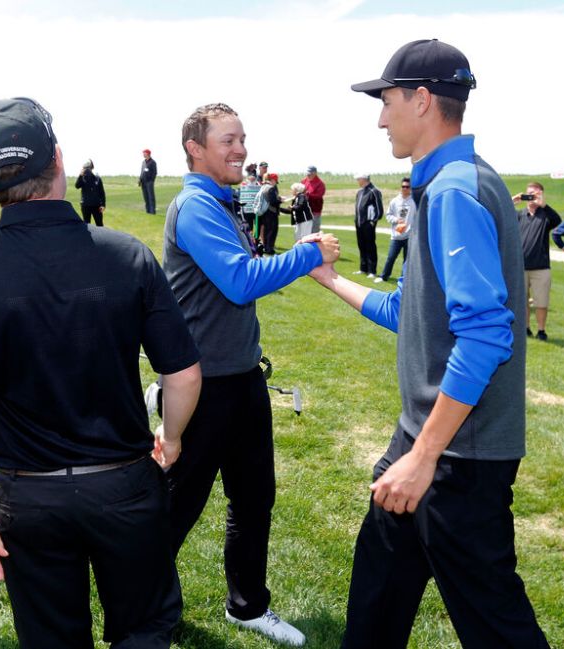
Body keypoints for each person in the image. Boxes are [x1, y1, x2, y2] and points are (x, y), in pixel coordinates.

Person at [0, 97, 203, 649]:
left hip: (28, 498)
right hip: (124, 484)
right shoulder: (126, 256)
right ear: (60, 160)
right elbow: (182, 376)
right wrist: (173, 436)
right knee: (143, 630)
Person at [309, 38, 549, 649]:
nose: (380, 117)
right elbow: (411, 314)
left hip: (456, 458)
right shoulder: (447, 182)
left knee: (496, 625)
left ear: (421, 100)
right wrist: (332, 280)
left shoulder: (453, 191)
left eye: (386, 101)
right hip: (423, 441)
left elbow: (488, 333)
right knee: (375, 601)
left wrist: (423, 458)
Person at [162, 102, 340, 647]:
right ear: (195, 148)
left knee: (254, 498)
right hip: (202, 387)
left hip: (242, 380)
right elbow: (240, 282)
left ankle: (247, 606)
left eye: (242, 138)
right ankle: (141, 603)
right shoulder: (194, 205)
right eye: (227, 140)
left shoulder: (223, 201)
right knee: (175, 507)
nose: (240, 149)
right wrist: (309, 255)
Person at [514, 181, 562, 339]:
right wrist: (511, 201)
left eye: (535, 194)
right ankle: (525, 327)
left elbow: (557, 221)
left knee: (541, 302)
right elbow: (501, 219)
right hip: (520, 267)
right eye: (529, 194)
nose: (531, 198)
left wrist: (543, 205)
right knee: (522, 301)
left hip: (540, 268)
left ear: (541, 195)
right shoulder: (519, 215)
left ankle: (541, 330)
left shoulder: (545, 216)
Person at [374, 177, 414, 284]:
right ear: (400, 187)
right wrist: (396, 220)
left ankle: (404, 279)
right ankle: (384, 276)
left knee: (407, 260)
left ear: (410, 188)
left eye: (407, 187)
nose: (405, 189)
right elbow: (388, 215)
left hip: (410, 236)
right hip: (396, 235)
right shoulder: (395, 201)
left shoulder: (414, 201)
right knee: (391, 257)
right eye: (403, 186)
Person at [353, 173, 383, 278]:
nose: (358, 181)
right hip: (359, 223)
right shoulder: (360, 192)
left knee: (370, 247)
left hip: (368, 224)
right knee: (361, 246)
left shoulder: (374, 191)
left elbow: (379, 210)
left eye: (359, 179)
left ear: (364, 179)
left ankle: (372, 271)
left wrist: (373, 222)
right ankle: (363, 268)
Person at [74, 158, 106, 226]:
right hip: (85, 205)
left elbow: (102, 192)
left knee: (100, 225)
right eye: (86, 168)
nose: (88, 170)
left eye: (89, 168)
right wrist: (80, 176)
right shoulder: (82, 178)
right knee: (86, 225)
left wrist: (103, 205)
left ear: (92, 168)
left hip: (96, 206)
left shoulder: (97, 178)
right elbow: (77, 186)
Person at [257, 172, 282, 255]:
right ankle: (269, 249)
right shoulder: (271, 188)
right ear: (272, 180)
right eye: (275, 181)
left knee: (267, 231)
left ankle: (266, 247)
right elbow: (273, 201)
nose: (276, 183)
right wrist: (280, 200)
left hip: (265, 212)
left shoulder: (264, 186)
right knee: (272, 231)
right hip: (271, 212)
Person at [302, 165, 326, 232]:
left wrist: (308, 194)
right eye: (307, 173)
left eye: (310, 173)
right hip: (304, 211)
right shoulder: (304, 181)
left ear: (315, 173)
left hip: (314, 211)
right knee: (304, 232)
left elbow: (319, 196)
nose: (308, 175)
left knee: (314, 232)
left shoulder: (320, 184)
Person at [239, 172, 261, 240]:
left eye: (253, 176)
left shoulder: (258, 184)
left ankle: (256, 240)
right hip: (247, 210)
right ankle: (250, 240)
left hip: (256, 210)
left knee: (257, 227)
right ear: (248, 177)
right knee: (249, 227)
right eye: (251, 176)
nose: (252, 178)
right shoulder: (243, 184)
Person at [139, 148, 158, 214]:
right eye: (143, 153)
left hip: (149, 182)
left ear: (148, 154)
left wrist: (151, 180)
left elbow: (155, 172)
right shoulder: (143, 162)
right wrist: (140, 179)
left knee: (151, 197)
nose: (143, 154)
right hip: (143, 182)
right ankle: (147, 211)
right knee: (146, 197)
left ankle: (152, 211)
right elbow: (142, 172)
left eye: (145, 153)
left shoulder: (153, 162)